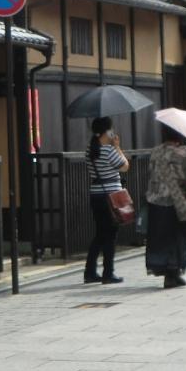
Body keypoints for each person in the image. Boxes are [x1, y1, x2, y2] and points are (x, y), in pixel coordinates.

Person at [144, 125, 186, 288]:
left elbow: (151, 174)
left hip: (155, 202)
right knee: (177, 237)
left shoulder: (155, 152)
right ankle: (173, 273)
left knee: (160, 238)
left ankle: (167, 272)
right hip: (176, 203)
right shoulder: (182, 155)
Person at [84, 116, 129, 284]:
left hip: (96, 195)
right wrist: (118, 147)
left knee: (100, 234)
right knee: (110, 235)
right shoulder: (109, 150)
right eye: (112, 129)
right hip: (112, 196)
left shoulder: (90, 150)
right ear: (107, 131)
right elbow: (125, 166)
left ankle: (90, 272)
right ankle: (108, 273)